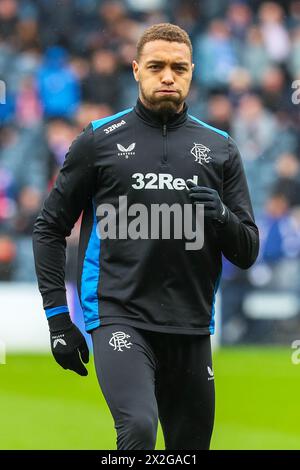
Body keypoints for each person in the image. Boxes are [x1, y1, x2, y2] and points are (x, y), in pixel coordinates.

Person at [32, 23, 259, 450]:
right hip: (120, 315)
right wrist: (58, 320)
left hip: (190, 325)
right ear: (136, 70)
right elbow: (49, 227)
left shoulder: (221, 149)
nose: (168, 77)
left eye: (178, 68)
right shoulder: (98, 141)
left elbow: (247, 249)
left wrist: (223, 217)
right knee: (137, 429)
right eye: (156, 67)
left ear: (192, 72)